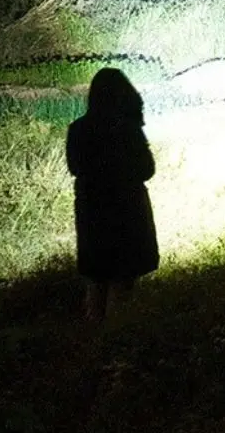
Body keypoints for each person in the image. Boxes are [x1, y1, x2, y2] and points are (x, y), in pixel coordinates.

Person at [66, 68, 160, 322]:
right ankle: (118, 340)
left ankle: (94, 337)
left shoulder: (78, 129)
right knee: (123, 282)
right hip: (127, 211)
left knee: (97, 281)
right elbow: (147, 169)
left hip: (92, 212)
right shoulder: (129, 129)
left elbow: (75, 167)